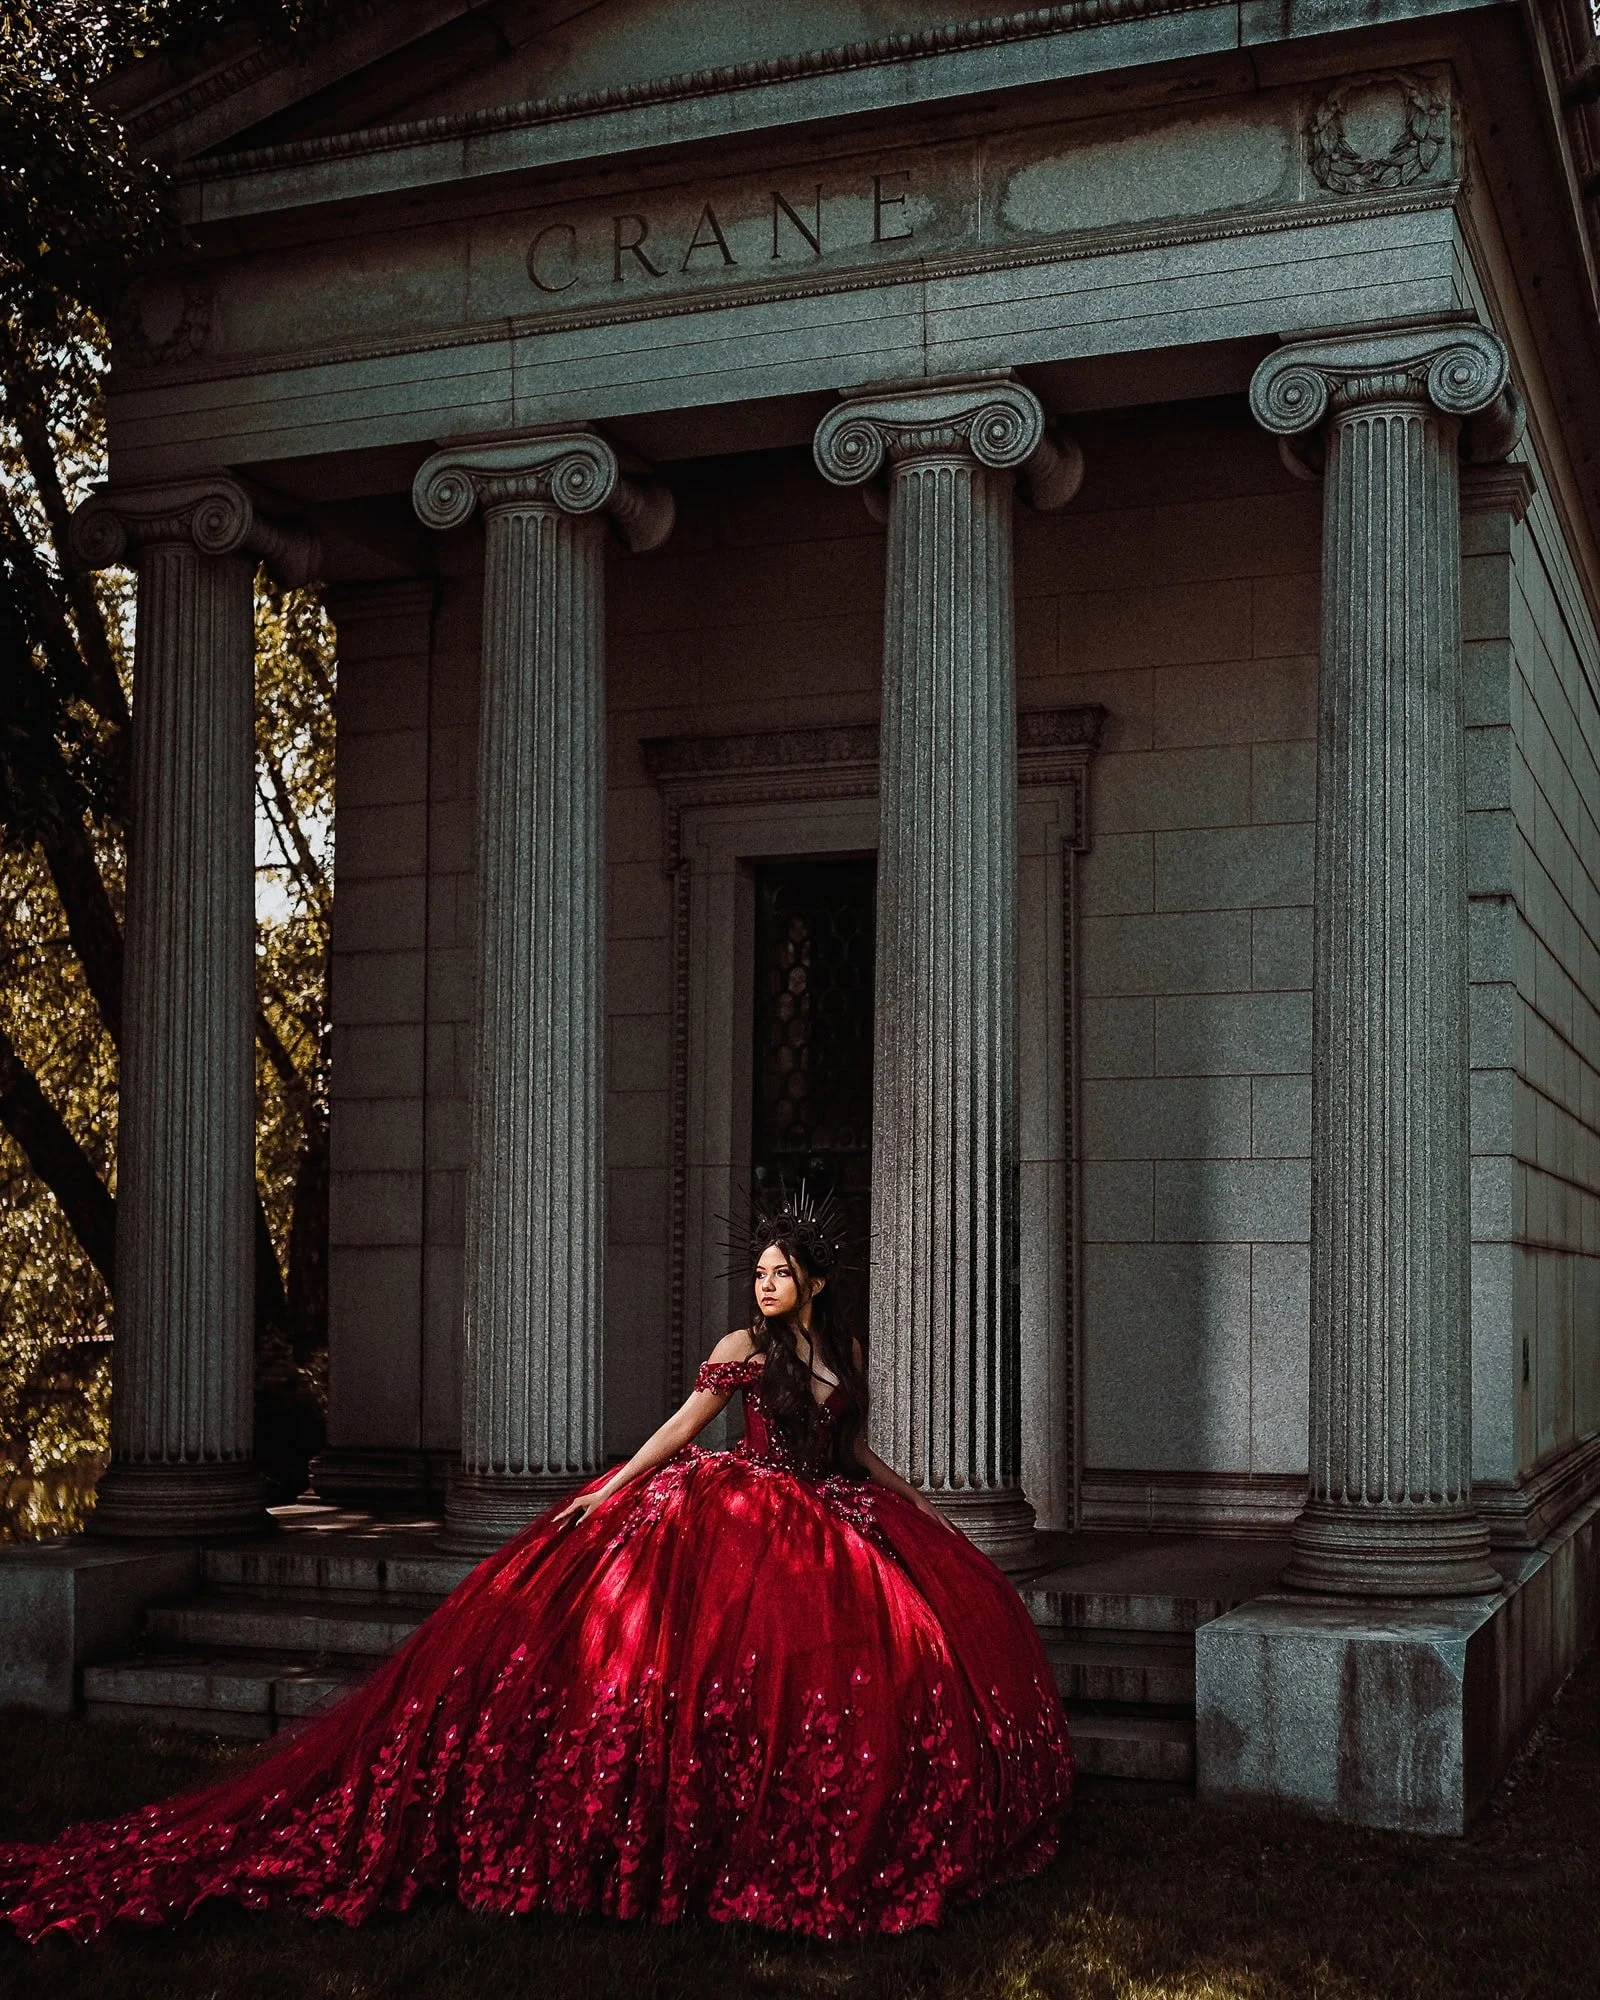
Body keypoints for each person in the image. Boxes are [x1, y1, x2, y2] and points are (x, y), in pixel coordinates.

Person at [0, 1190, 1072, 1943]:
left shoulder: (832, 1358)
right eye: (759, 1271)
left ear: (815, 1281)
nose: (766, 1283)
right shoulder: (741, 1349)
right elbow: (683, 1425)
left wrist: (910, 1492)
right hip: (749, 1513)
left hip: (829, 1508)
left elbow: (844, 1442)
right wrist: (614, 1484)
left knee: (889, 1657)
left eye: (781, 1271)